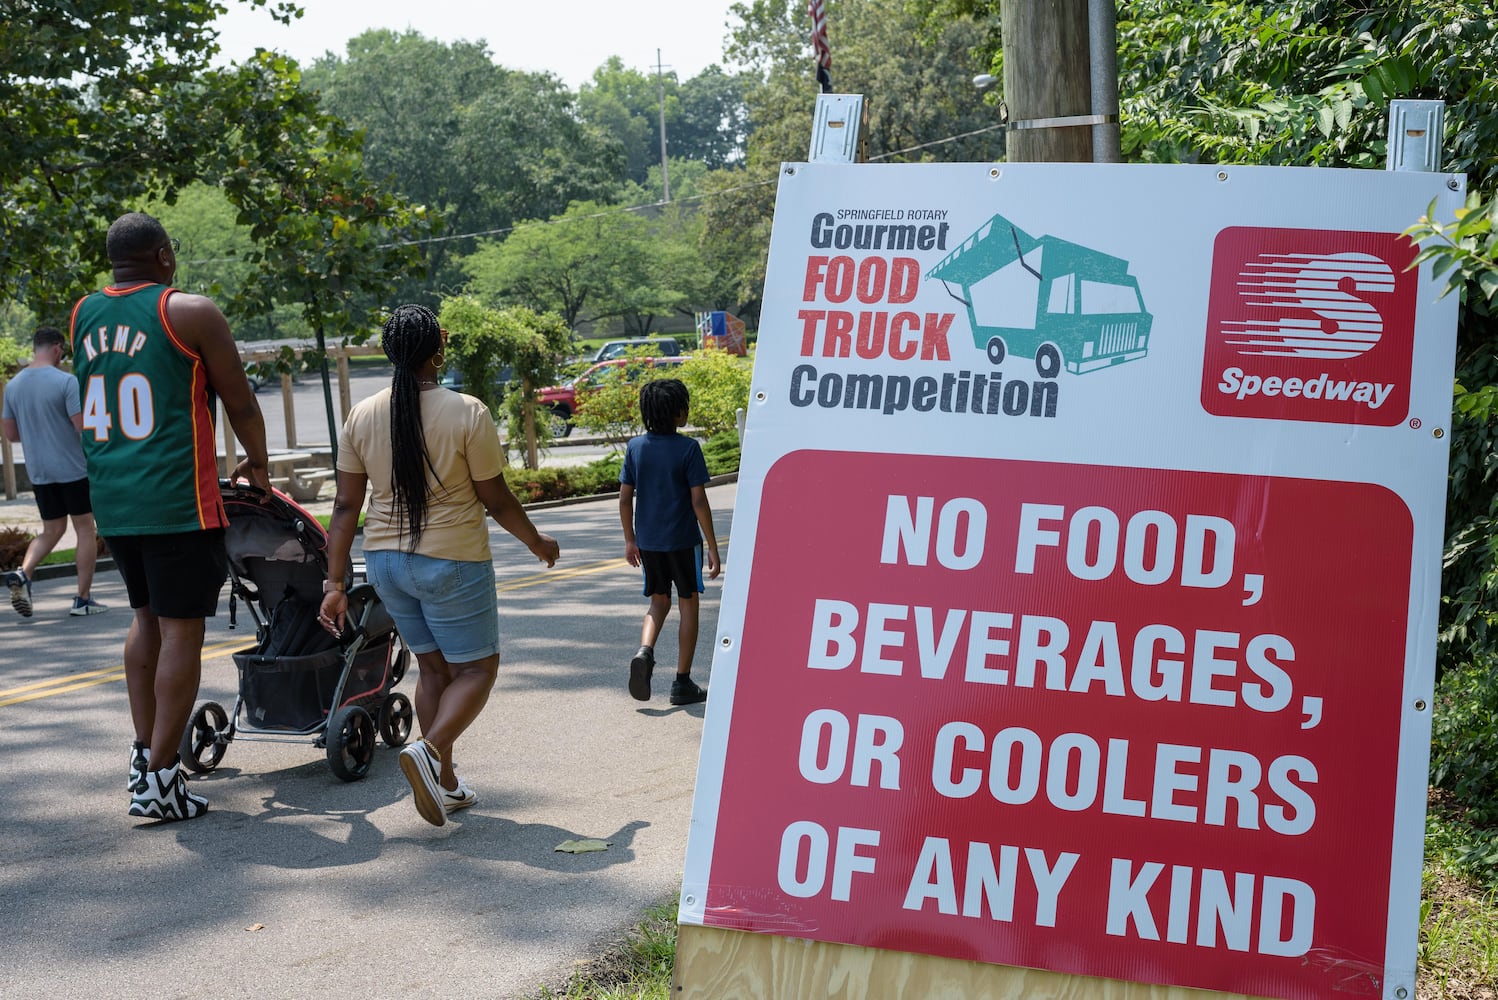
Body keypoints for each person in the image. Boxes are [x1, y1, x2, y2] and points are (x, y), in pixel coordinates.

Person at [318, 304, 560, 828]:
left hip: (384, 563)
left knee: (433, 669)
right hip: (450, 560)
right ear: (439, 349)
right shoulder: (466, 411)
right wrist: (537, 542)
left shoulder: (362, 415)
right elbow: (494, 498)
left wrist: (335, 584)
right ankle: (430, 752)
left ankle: (445, 783)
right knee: (477, 670)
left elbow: (343, 507)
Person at [70, 211, 271, 823]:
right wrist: (259, 467)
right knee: (183, 631)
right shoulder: (190, 311)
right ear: (163, 254)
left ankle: (143, 756)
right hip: (177, 499)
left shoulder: (83, 314)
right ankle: (161, 777)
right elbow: (238, 399)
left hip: (115, 499)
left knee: (145, 623)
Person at [619, 378, 721, 706]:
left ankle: (644, 652)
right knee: (688, 604)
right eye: (684, 406)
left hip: (649, 543)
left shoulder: (635, 448)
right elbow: (699, 502)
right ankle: (682, 682)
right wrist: (713, 548)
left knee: (658, 602)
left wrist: (630, 541)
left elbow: (624, 500)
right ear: (677, 412)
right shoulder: (688, 448)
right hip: (682, 540)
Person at [2, 327, 106, 618]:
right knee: (85, 529)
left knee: (52, 530)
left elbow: (10, 435)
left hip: (39, 472)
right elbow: (81, 426)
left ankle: (23, 573)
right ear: (58, 348)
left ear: (36, 348)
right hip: (73, 469)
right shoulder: (66, 381)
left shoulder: (13, 386)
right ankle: (82, 599)